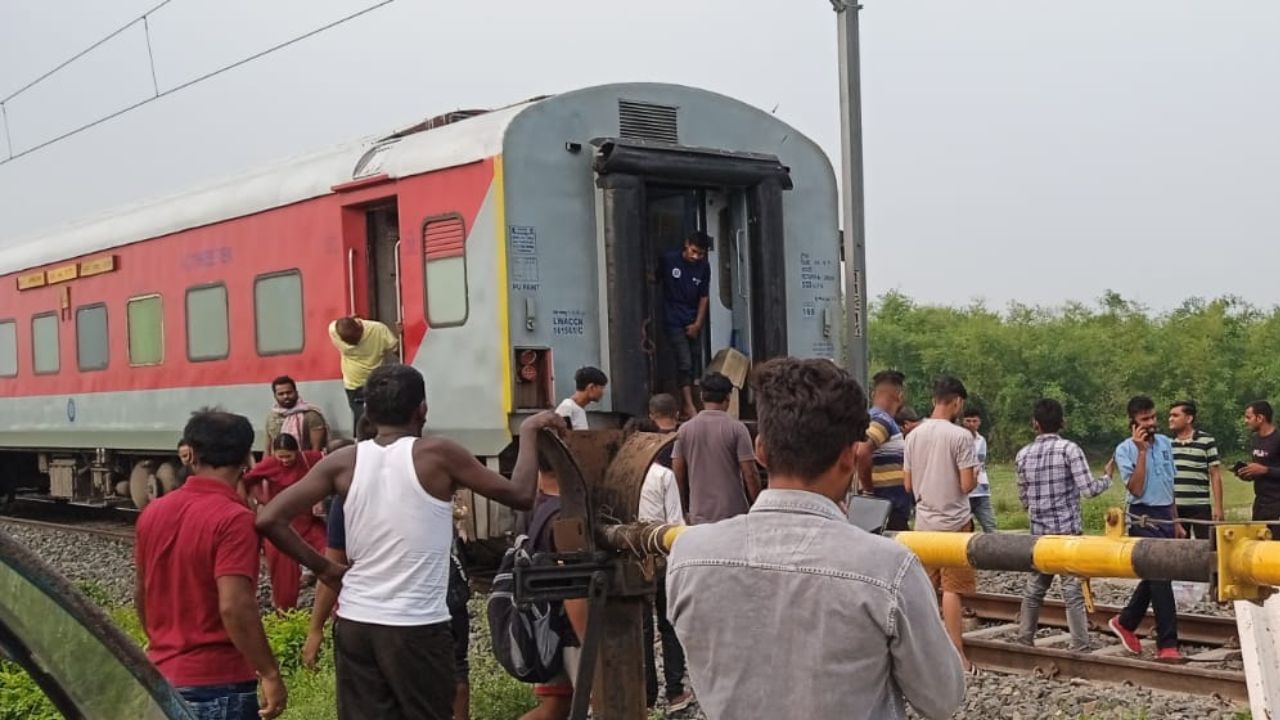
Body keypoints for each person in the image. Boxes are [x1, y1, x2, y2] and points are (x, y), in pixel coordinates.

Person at [256, 364, 562, 720]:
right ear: (422, 409)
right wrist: (527, 432)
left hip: (355, 624)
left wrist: (325, 569)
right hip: (415, 627)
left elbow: (268, 519)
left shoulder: (343, 462)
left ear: (367, 411)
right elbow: (522, 495)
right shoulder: (437, 456)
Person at [667, 358, 965, 720]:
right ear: (849, 458)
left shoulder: (688, 556)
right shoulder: (888, 568)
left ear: (761, 451)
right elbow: (942, 698)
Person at [134, 409, 286, 720]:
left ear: (190, 454)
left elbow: (141, 592)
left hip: (162, 677)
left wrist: (164, 643)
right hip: (218, 684)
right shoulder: (234, 519)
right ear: (246, 458)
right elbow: (234, 605)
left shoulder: (153, 512)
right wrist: (269, 672)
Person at [1015, 398, 1113, 652]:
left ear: (1034, 424)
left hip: (1039, 536)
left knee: (1035, 588)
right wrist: (1107, 478)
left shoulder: (1022, 455)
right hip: (1068, 534)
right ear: (1062, 423)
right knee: (1072, 590)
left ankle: (1025, 638)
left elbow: (1024, 499)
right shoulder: (1070, 450)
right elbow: (1089, 490)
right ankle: (1080, 643)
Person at [902, 375, 980, 672]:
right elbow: (966, 484)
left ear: (935, 398)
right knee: (952, 589)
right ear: (957, 402)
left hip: (924, 522)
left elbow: (908, 485)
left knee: (925, 589)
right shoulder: (961, 436)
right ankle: (956, 653)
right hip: (955, 522)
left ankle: (922, 653)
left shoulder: (913, 436)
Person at [1108, 395, 1184, 663]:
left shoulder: (1165, 444)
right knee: (1160, 578)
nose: (1151, 424)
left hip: (1165, 514)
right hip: (1143, 517)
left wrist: (1176, 521)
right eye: (1144, 420)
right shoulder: (1125, 450)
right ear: (1133, 423)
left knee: (1158, 576)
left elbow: (1169, 484)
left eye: (1153, 417)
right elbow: (1136, 489)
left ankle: (1126, 622)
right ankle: (1168, 643)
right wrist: (1141, 451)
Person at [626, 417, 692, 713]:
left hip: (629, 559)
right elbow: (676, 522)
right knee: (669, 624)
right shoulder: (663, 476)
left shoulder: (619, 475)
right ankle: (676, 691)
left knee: (640, 628)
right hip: (663, 558)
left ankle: (647, 696)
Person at [520, 459, 589, 720]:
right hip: (570, 633)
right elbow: (573, 587)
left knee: (555, 709)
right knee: (596, 705)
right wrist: (592, 645)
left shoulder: (536, 507)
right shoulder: (565, 516)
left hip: (544, 627)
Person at [243, 434, 327, 610]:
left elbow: (330, 460)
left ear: (297, 452)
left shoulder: (309, 458)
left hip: (308, 520)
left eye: (288, 456)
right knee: (283, 575)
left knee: (331, 554)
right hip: (282, 525)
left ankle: (333, 606)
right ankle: (284, 612)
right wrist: (259, 501)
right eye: (280, 456)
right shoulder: (269, 465)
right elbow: (246, 481)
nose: (284, 460)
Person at [672, 372, 760, 524]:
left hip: (699, 516)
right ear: (728, 397)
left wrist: (683, 509)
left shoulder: (684, 430)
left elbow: (678, 473)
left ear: (701, 396)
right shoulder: (737, 428)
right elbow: (750, 473)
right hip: (733, 516)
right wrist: (758, 506)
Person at [658, 231, 712, 419]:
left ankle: (692, 402)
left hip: (692, 318)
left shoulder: (704, 267)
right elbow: (654, 279)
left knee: (694, 362)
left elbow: (704, 297)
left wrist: (698, 323)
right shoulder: (669, 260)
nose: (696, 257)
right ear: (686, 245)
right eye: (694, 251)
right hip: (673, 318)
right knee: (684, 361)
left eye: (701, 254)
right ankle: (688, 405)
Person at [853, 370, 913, 531]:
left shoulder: (873, 417)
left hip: (885, 507)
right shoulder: (882, 419)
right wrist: (868, 490)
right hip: (887, 508)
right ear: (900, 395)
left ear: (873, 394)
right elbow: (862, 451)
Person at [329, 316, 400, 429]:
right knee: (368, 421)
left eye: (357, 340)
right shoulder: (379, 329)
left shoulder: (333, 329)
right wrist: (399, 337)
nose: (354, 345)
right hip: (363, 384)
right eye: (349, 342)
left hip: (367, 383)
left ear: (360, 327)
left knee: (368, 419)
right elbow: (397, 350)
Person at [1168, 401, 1223, 539]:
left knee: (1207, 546)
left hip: (1200, 506)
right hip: (1176, 508)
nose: (1170, 419)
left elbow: (1215, 474)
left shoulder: (1206, 440)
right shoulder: (1167, 444)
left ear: (1189, 418)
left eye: (1175, 415)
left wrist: (1218, 507)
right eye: (1170, 415)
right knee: (1179, 550)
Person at [1239, 400, 1280, 536]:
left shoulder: (1278, 439)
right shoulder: (1255, 439)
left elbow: (1264, 469)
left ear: (1260, 418)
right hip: (1260, 503)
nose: (1246, 421)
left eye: (1248, 417)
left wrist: (1265, 470)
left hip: (1276, 504)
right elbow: (1258, 468)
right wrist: (1248, 474)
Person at [264, 375, 328, 452]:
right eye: (281, 394)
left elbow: (316, 450)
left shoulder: (312, 416)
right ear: (275, 396)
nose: (285, 396)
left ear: (296, 393)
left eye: (289, 392)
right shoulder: (272, 417)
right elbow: (268, 449)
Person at [963, 407, 997, 533]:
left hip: (981, 490)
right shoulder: (958, 439)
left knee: (990, 526)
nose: (971, 424)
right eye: (968, 421)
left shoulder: (981, 440)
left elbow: (979, 461)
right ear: (963, 422)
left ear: (979, 422)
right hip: (964, 492)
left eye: (974, 421)